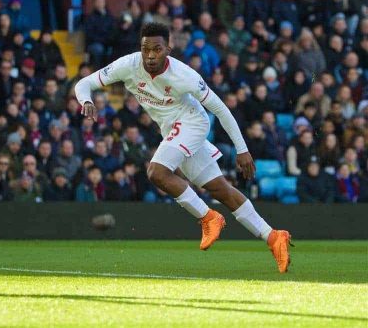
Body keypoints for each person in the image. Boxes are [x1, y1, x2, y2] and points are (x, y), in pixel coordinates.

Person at [75, 22, 292, 273]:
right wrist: (87, 100)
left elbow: (220, 109)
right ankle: (273, 236)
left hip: (192, 122)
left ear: (169, 48)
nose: (151, 55)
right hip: (172, 130)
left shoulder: (185, 75)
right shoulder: (128, 65)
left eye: (157, 49)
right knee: (220, 189)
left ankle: (208, 217)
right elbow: (84, 84)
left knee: (156, 172)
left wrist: (242, 149)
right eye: (146, 49)